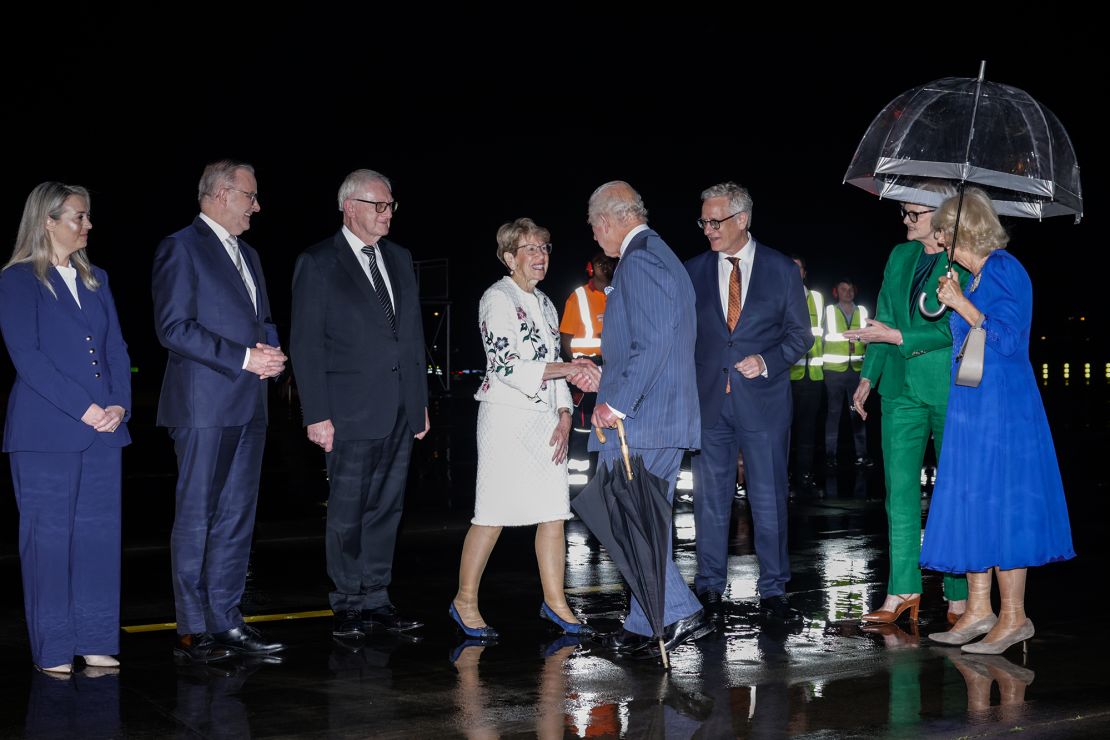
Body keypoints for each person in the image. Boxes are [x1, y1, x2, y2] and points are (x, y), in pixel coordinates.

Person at [920, 188, 1075, 653]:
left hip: (1004, 407)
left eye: (941, 231)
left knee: (1005, 503)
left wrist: (964, 305)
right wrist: (952, 297)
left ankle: (1014, 617)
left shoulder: (1006, 268)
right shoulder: (974, 278)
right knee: (974, 499)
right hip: (973, 405)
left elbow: (1008, 340)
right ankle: (979, 609)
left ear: (957, 232)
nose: (936, 238)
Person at [152, 160, 287, 662]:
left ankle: (227, 622)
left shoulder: (249, 255)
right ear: (221, 194)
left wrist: (269, 352)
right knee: (197, 516)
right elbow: (173, 327)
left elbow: (264, 319)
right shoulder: (180, 248)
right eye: (250, 196)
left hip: (250, 403)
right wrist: (245, 358)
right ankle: (193, 629)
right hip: (203, 405)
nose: (257, 205)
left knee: (236, 516)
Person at [290, 169, 429, 641]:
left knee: (387, 508)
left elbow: (411, 337)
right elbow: (306, 345)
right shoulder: (319, 262)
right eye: (379, 206)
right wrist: (316, 414)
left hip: (397, 408)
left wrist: (420, 401)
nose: (387, 214)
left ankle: (377, 598)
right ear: (350, 207)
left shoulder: (400, 258)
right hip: (346, 411)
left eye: (391, 206)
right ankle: (348, 602)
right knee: (347, 509)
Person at [0, 182, 131, 675]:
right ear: (47, 221)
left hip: (104, 432)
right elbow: (27, 358)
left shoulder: (98, 278)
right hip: (45, 435)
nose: (88, 225)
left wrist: (118, 405)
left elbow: (117, 348)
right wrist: (85, 408)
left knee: (98, 538)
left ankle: (95, 639)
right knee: (49, 544)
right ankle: (53, 648)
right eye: (79, 216)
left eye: (88, 216)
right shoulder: (16, 282)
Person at [448, 217, 599, 640]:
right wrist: (571, 368)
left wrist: (566, 413)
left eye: (545, 249)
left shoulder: (547, 304)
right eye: (531, 249)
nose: (541, 257)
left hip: (546, 422)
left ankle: (556, 602)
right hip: (507, 420)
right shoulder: (497, 298)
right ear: (510, 256)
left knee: (554, 513)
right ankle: (464, 600)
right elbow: (508, 366)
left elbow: (553, 361)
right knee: (492, 513)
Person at [586, 181, 713, 656]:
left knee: (625, 517)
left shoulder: (640, 260)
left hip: (644, 419)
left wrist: (616, 403)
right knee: (643, 522)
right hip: (659, 414)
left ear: (610, 219)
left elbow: (654, 342)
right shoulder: (660, 256)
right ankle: (646, 623)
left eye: (595, 226)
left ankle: (679, 612)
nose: (596, 236)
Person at [685, 182, 812, 621]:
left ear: (742, 220)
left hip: (765, 404)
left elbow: (801, 336)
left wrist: (767, 359)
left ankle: (774, 590)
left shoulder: (781, 270)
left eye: (715, 221)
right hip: (709, 405)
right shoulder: (694, 270)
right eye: (703, 220)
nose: (707, 229)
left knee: (769, 498)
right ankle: (709, 589)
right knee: (710, 500)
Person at [849, 180, 968, 625]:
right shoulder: (900, 257)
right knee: (898, 494)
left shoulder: (964, 261)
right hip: (899, 390)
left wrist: (898, 337)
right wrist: (867, 377)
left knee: (952, 492)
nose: (905, 220)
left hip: (949, 389)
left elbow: (955, 328)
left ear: (940, 216)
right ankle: (902, 590)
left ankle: (959, 596)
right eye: (904, 212)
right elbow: (884, 318)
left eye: (913, 213)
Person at [822, 278, 871, 468]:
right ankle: (830, 456)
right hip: (834, 371)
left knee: (857, 414)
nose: (847, 292)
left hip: (857, 371)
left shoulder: (862, 311)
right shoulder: (829, 311)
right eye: (843, 289)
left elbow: (869, 339)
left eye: (850, 289)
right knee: (833, 414)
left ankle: (862, 455)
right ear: (836, 292)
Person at [787, 255, 824, 492]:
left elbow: (826, 335)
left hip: (814, 376)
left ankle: (804, 475)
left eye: (798, 267)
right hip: (789, 377)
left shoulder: (818, 299)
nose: (793, 270)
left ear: (804, 272)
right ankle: (785, 475)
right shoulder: (780, 296)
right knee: (785, 429)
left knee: (808, 430)